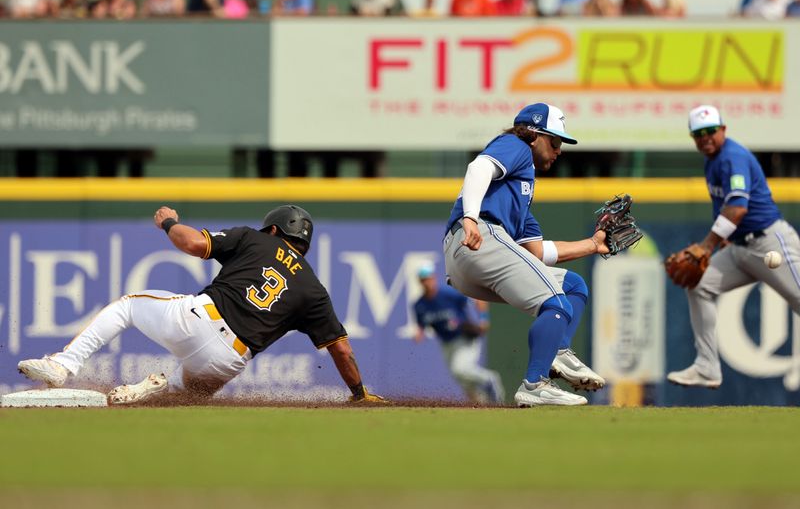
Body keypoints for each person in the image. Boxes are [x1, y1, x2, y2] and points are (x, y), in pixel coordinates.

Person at [18, 205, 386, 405]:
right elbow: (342, 350)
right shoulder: (314, 289)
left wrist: (169, 223)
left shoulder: (255, 239)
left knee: (127, 306)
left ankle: (61, 365)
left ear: (274, 230)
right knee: (189, 391)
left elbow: (193, 244)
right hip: (230, 359)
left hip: (198, 320)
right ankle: (150, 388)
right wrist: (359, 394)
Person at [443, 103, 608, 407]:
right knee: (555, 302)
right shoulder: (517, 145)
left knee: (571, 287)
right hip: (478, 236)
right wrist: (470, 218)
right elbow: (477, 168)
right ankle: (536, 382)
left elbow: (536, 253)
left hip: (471, 257)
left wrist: (593, 245)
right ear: (535, 135)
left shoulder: (519, 194)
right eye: (555, 141)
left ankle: (555, 352)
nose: (559, 150)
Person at [666, 106, 800, 388]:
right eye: (699, 134)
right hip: (740, 249)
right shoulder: (712, 161)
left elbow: (738, 208)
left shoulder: (732, 157)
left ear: (723, 129)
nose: (705, 138)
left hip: (769, 243)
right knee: (699, 284)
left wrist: (707, 246)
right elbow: (727, 210)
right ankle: (707, 368)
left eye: (710, 131)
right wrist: (722, 240)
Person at [412, 263, 504, 405]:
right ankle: (481, 405)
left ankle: (490, 379)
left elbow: (479, 300)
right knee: (460, 377)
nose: (427, 282)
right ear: (419, 282)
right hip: (446, 342)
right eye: (424, 279)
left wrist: (484, 319)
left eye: (429, 278)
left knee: (460, 369)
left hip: (465, 337)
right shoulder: (419, 305)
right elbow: (421, 324)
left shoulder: (448, 294)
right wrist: (419, 333)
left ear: (434, 278)